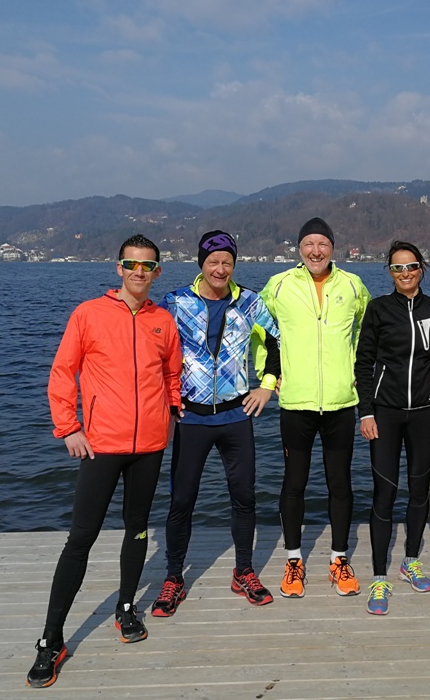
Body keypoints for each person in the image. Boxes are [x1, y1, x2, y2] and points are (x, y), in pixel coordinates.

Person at [26, 234, 181, 688]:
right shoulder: (88, 314)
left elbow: (171, 374)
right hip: (100, 444)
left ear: (157, 272)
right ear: (119, 268)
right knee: (81, 537)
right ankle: (51, 639)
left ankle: (127, 606)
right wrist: (68, 427)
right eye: (131, 264)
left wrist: (171, 414)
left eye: (147, 266)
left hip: (149, 445)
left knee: (138, 528)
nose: (139, 272)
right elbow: (62, 372)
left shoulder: (162, 321)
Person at [152, 230, 281, 616]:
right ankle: (174, 577)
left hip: (236, 415)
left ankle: (244, 571)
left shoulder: (250, 303)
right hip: (190, 416)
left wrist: (267, 386)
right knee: (182, 500)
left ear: (234, 265)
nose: (220, 269)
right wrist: (166, 399)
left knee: (244, 497)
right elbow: (155, 350)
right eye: (213, 262)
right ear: (201, 264)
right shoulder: (176, 302)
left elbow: (277, 341)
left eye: (227, 262)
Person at [259, 217, 371, 598]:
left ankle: (339, 559)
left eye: (322, 243)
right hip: (296, 402)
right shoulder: (279, 285)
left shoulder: (352, 285)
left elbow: (366, 329)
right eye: (308, 243)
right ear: (299, 249)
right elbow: (261, 331)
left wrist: (357, 369)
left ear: (333, 248)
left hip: (340, 403)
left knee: (340, 484)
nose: (316, 251)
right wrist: (269, 375)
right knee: (294, 483)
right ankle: (294, 560)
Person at [354, 241, 430, 615]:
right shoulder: (379, 309)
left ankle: (410, 560)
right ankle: (379, 577)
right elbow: (363, 362)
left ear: (421, 268)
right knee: (384, 492)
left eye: (411, 266)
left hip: (425, 412)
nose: (405, 273)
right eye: (398, 268)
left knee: (419, 490)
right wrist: (365, 412)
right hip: (385, 412)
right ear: (390, 272)